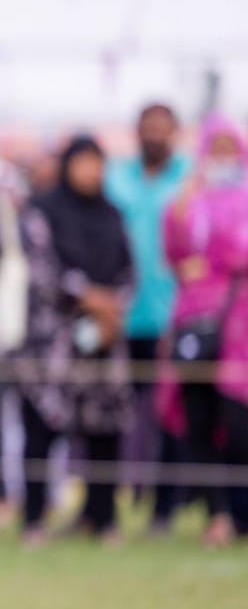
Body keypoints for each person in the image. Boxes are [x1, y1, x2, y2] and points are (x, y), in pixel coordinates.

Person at [16, 136, 134, 546]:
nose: (90, 173)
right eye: (82, 164)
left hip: (103, 339)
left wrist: (111, 306)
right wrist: (89, 295)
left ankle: (102, 519)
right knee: (41, 430)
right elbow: (43, 268)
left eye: (96, 164)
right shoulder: (42, 211)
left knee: (105, 434)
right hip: (53, 343)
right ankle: (33, 519)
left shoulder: (113, 215)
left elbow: (129, 269)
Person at [160, 116, 248, 546]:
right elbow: (176, 257)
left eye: (230, 149)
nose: (223, 159)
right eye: (216, 149)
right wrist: (181, 206)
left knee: (238, 422)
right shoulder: (190, 200)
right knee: (201, 423)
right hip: (193, 322)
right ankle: (217, 516)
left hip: (240, 330)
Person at [103, 103, 190, 527]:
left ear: (175, 131)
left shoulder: (191, 177)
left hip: (173, 315)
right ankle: (109, 506)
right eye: (147, 126)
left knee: (169, 413)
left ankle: (164, 507)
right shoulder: (114, 176)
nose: (154, 134)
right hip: (119, 316)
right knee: (116, 413)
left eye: (162, 127)